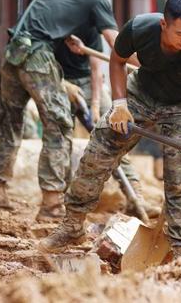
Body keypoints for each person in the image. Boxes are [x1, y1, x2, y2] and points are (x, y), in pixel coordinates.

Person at [41, 0, 181, 258]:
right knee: (98, 152)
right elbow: (117, 61)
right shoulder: (140, 28)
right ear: (163, 24)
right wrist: (119, 105)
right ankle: (72, 224)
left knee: (180, 175)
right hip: (141, 93)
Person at [0, 0, 133, 219]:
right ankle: (52, 203)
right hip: (36, 55)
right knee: (60, 123)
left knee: (12, 122)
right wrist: (145, 64)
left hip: (14, 50)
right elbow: (118, 45)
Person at [55, 28, 159, 218]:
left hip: (89, 82)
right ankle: (60, 203)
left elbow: (96, 70)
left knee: (115, 138)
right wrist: (63, 85)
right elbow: (45, 69)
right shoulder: (49, 30)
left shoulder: (88, 28)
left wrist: (95, 104)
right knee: (60, 143)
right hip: (58, 84)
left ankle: (136, 198)